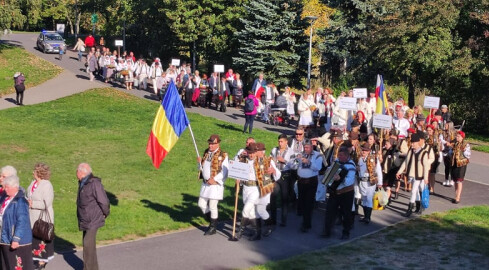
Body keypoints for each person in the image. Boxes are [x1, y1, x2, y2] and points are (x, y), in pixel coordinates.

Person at [76, 163, 110, 270]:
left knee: (88, 245)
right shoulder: (83, 182)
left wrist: (105, 213)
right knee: (88, 247)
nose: (76, 172)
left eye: (77, 170)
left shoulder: (94, 183)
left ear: (82, 172)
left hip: (93, 219)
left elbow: (104, 201)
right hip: (86, 219)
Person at [197, 135, 229, 236]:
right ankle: (213, 220)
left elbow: (225, 171)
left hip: (215, 185)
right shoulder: (206, 152)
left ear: (217, 144)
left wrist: (214, 179)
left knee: (212, 206)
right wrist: (199, 163)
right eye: (209, 143)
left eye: (212, 144)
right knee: (201, 204)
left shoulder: (223, 155)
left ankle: (213, 227)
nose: (210, 145)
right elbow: (202, 167)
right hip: (206, 183)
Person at [322, 146, 357, 240]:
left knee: (346, 213)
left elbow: (349, 181)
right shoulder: (337, 161)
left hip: (346, 193)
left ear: (346, 156)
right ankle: (327, 231)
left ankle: (346, 232)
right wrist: (328, 172)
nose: (339, 157)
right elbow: (331, 168)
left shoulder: (351, 165)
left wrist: (340, 178)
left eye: (341, 155)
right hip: (335, 192)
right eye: (338, 155)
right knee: (329, 212)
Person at [0, 175, 33, 270]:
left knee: (16, 265)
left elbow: (22, 222)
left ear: (15, 187)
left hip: (16, 241)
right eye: (5, 186)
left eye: (7, 187)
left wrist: (16, 239)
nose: (5, 189)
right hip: (4, 238)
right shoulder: (4, 199)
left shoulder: (20, 201)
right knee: (6, 265)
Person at [27, 163, 54, 269]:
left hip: (42, 219)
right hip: (32, 217)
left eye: (34, 170)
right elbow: (28, 196)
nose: (33, 172)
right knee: (34, 240)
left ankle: (42, 262)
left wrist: (32, 204)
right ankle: (35, 259)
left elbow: (47, 204)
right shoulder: (32, 183)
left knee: (41, 240)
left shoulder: (47, 185)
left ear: (39, 172)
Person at [396, 133, 430, 217]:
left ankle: (410, 209)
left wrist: (426, 178)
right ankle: (418, 207)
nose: (412, 144)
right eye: (411, 142)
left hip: (420, 176)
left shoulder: (424, 153)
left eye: (413, 143)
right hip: (412, 175)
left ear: (418, 142)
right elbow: (406, 162)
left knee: (414, 191)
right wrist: (399, 172)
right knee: (417, 192)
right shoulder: (410, 151)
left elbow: (426, 166)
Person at [296, 139, 323, 233]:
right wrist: (297, 160)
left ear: (312, 147)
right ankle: (304, 219)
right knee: (302, 201)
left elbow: (318, 168)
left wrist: (309, 162)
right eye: (304, 147)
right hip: (301, 181)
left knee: (308, 203)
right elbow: (295, 165)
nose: (305, 149)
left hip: (311, 181)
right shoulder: (302, 153)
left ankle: (306, 224)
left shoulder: (317, 155)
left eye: (307, 147)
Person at [269, 134, 295, 227]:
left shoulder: (291, 152)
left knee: (284, 198)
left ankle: (283, 220)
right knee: (273, 197)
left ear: (286, 142)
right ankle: (273, 219)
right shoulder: (274, 150)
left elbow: (294, 165)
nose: (280, 144)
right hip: (275, 174)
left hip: (285, 175)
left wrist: (284, 160)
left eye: (282, 142)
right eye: (279, 142)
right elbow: (269, 160)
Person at [356, 143, 383, 224]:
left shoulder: (374, 159)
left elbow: (378, 170)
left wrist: (380, 182)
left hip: (370, 181)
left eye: (365, 150)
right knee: (364, 199)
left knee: (369, 198)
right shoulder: (360, 159)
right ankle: (365, 216)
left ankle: (368, 217)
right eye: (363, 150)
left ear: (369, 151)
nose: (364, 152)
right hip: (362, 181)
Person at [450, 131, 470, 204]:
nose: (456, 137)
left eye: (458, 136)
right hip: (455, 163)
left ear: (462, 137)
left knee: (459, 180)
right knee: (455, 180)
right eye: (456, 136)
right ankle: (456, 196)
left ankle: (458, 197)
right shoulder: (455, 144)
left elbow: (468, 155)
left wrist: (464, 151)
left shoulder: (466, 145)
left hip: (461, 164)